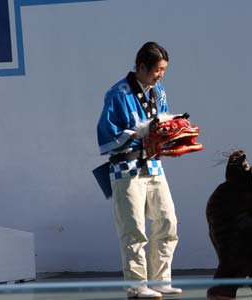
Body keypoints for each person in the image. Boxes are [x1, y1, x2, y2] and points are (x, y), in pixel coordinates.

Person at [97, 42, 182, 299]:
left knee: (168, 221)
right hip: (127, 167)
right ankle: (136, 286)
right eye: (157, 70)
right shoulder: (117, 94)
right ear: (141, 67)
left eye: (164, 70)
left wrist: (173, 132)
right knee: (133, 228)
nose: (160, 75)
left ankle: (160, 280)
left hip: (154, 165)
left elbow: (163, 122)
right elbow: (106, 136)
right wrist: (138, 133)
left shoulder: (159, 91)